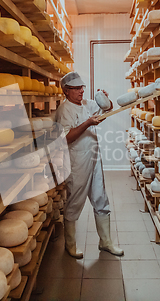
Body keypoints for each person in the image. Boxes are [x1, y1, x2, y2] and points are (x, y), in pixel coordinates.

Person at [55, 72, 124, 259]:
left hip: (94, 157)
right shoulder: (64, 110)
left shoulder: (87, 104)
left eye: (82, 87)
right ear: (66, 91)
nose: (81, 91)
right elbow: (66, 138)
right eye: (77, 88)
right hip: (76, 161)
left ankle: (106, 242)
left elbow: (106, 111)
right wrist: (87, 123)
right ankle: (70, 244)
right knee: (75, 201)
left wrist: (106, 100)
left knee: (101, 198)